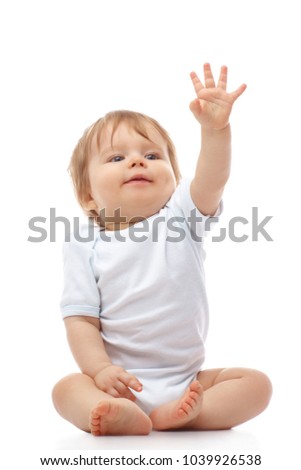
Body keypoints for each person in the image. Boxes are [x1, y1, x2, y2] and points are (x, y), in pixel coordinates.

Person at [52, 63, 272, 436]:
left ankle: (185, 414)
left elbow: (212, 177)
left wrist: (215, 130)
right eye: (116, 158)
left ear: (174, 180)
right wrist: (100, 371)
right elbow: (81, 320)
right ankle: (119, 412)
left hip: (188, 381)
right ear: (88, 196)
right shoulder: (84, 239)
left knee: (257, 385)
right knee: (65, 390)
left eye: (153, 156)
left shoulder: (182, 215)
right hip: (118, 382)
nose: (138, 160)